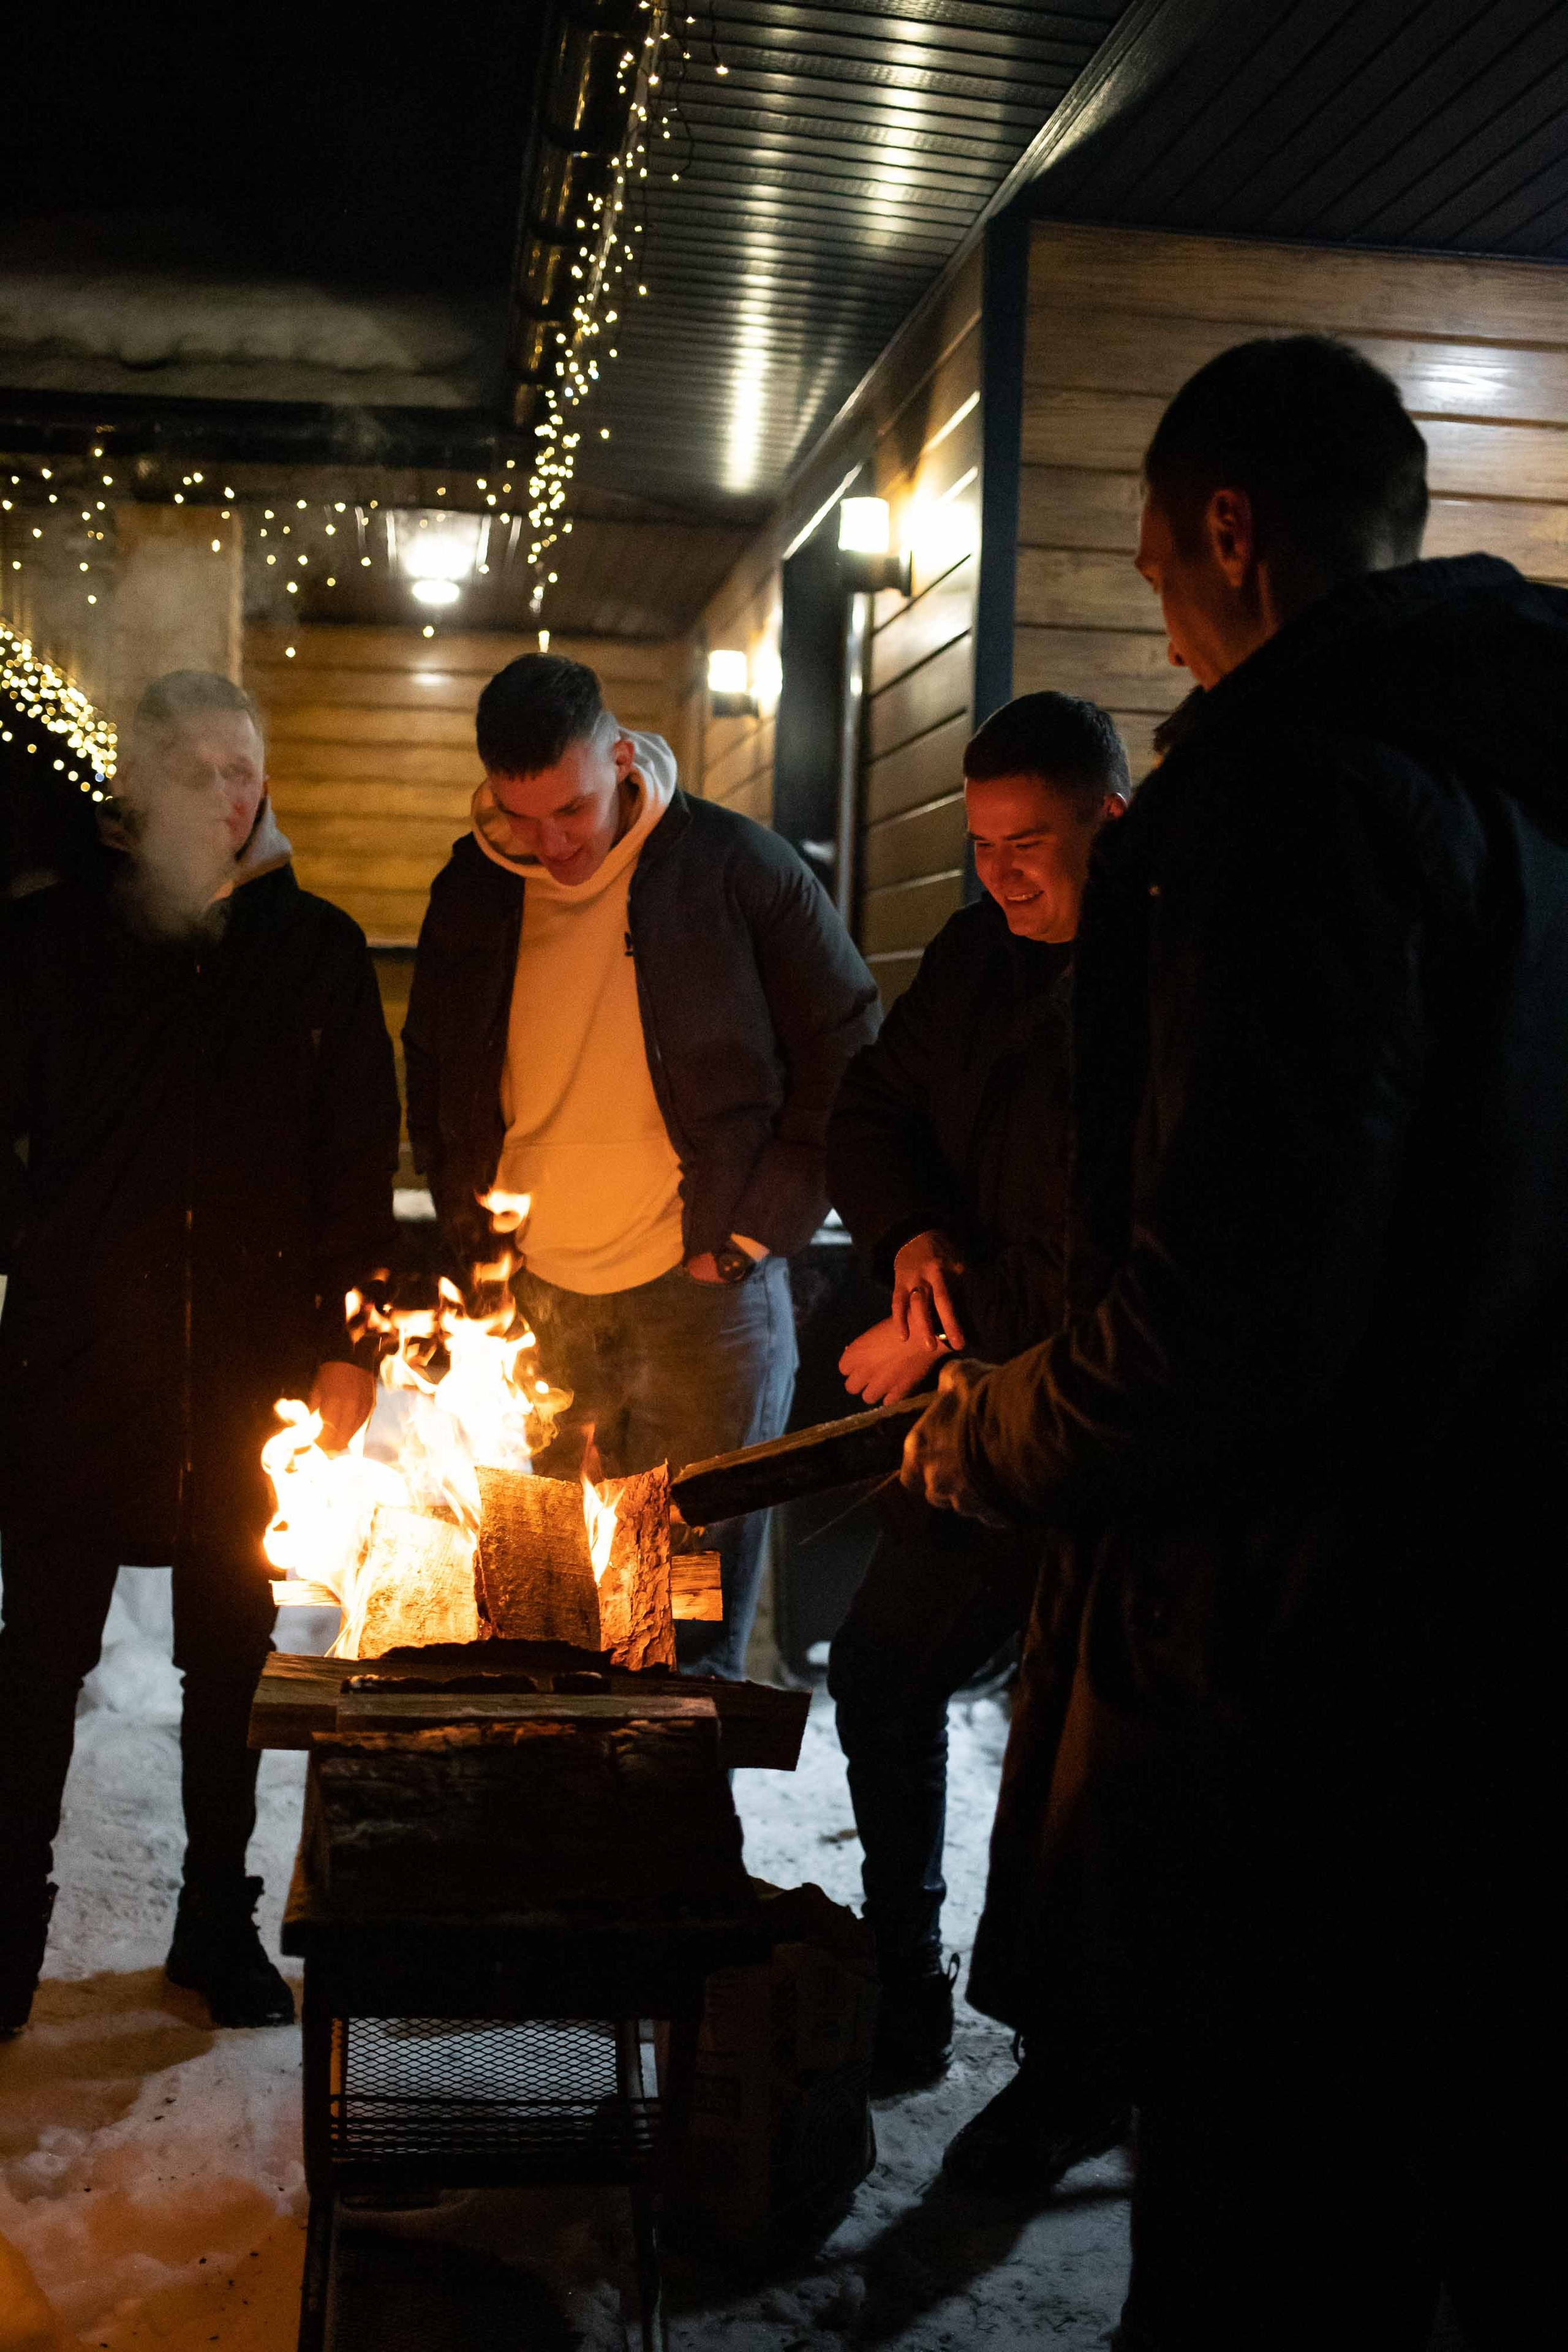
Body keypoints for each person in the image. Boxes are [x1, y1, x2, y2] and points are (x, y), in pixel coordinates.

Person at [903, 335, 1566, 2347]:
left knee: (1269, 2244)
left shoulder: (1294, 798)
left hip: (1308, 1678)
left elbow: (1228, 1314)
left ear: (1230, 529)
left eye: (1162, 567)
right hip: (1506, 1637)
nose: (1166, 624)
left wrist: (993, 1430)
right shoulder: (1527, 774)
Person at [0, 671, 399, 2035]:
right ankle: (6, 1934)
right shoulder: (56, 943)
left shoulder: (316, 950)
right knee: (37, 1659)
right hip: (71, 1367)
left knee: (229, 1664)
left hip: (249, 1377)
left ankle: (212, 1927)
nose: (230, 797)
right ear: (141, 790)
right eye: (197, 772)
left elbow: (358, 1165)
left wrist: (349, 1343)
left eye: (245, 769)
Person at [403, 653, 878, 1678]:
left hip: (704, 1302)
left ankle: (678, 1841)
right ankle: (563, 1833)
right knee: (541, 1623)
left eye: (570, 810)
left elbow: (848, 1045)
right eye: (519, 816)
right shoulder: (475, 889)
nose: (551, 844)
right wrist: (468, 1233)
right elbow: (432, 1067)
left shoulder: (734, 865)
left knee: (683, 1633)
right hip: (531, 1308)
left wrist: (758, 1231)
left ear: (621, 757)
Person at [826, 695, 1128, 2169]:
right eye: (980, 845)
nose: (1000, 873)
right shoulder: (967, 958)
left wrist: (934, 1325)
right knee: (881, 1670)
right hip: (965, 1419)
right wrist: (909, 1239)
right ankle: (902, 1980)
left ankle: (1077, 2061)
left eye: (1030, 846)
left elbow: (1099, 1258)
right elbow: (873, 1106)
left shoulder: (1151, 992)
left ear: (1108, 825)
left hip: (1090, 1433)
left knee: (1069, 1760)